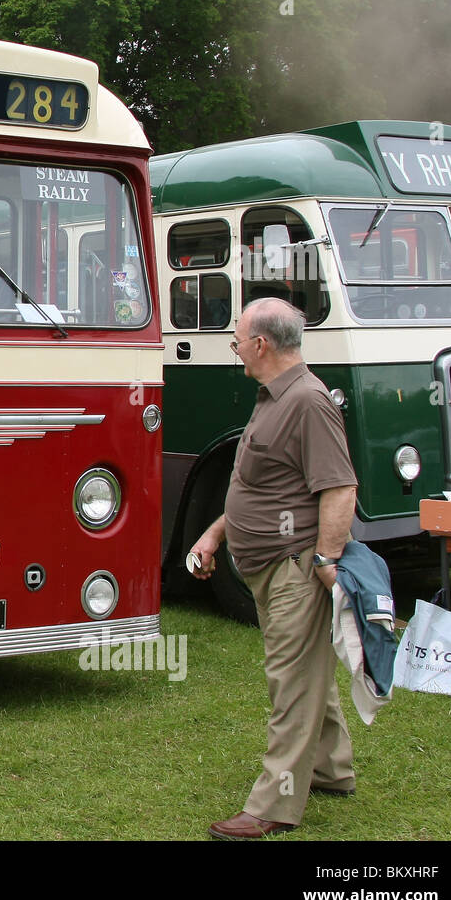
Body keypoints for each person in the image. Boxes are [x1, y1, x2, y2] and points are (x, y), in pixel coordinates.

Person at [189, 297, 358, 840]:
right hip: (267, 563)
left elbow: (339, 487)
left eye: (237, 341)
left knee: (292, 684)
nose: (236, 351)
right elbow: (259, 486)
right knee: (307, 672)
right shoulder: (274, 397)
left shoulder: (308, 402)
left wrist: (327, 559)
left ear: (261, 344)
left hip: (294, 567)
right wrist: (216, 533)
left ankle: (273, 805)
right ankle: (332, 770)